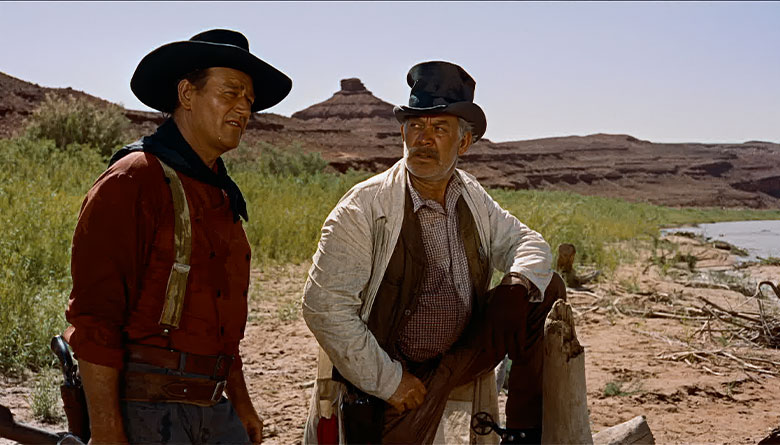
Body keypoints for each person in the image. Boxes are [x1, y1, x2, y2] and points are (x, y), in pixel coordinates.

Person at [302, 61, 566, 445]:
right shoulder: (365, 208)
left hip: (461, 352)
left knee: (545, 288)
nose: (424, 139)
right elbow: (323, 307)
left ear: (463, 143)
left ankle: (523, 434)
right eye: (416, 126)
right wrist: (391, 382)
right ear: (403, 134)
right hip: (399, 371)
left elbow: (529, 242)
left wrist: (516, 283)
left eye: (439, 128)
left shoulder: (469, 194)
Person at [63, 29, 291, 444]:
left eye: (249, 99)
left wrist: (240, 402)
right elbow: (95, 318)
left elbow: (222, 323)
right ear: (187, 94)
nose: (244, 107)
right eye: (231, 92)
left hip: (213, 408)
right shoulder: (134, 179)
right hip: (148, 411)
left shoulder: (221, 193)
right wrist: (107, 431)